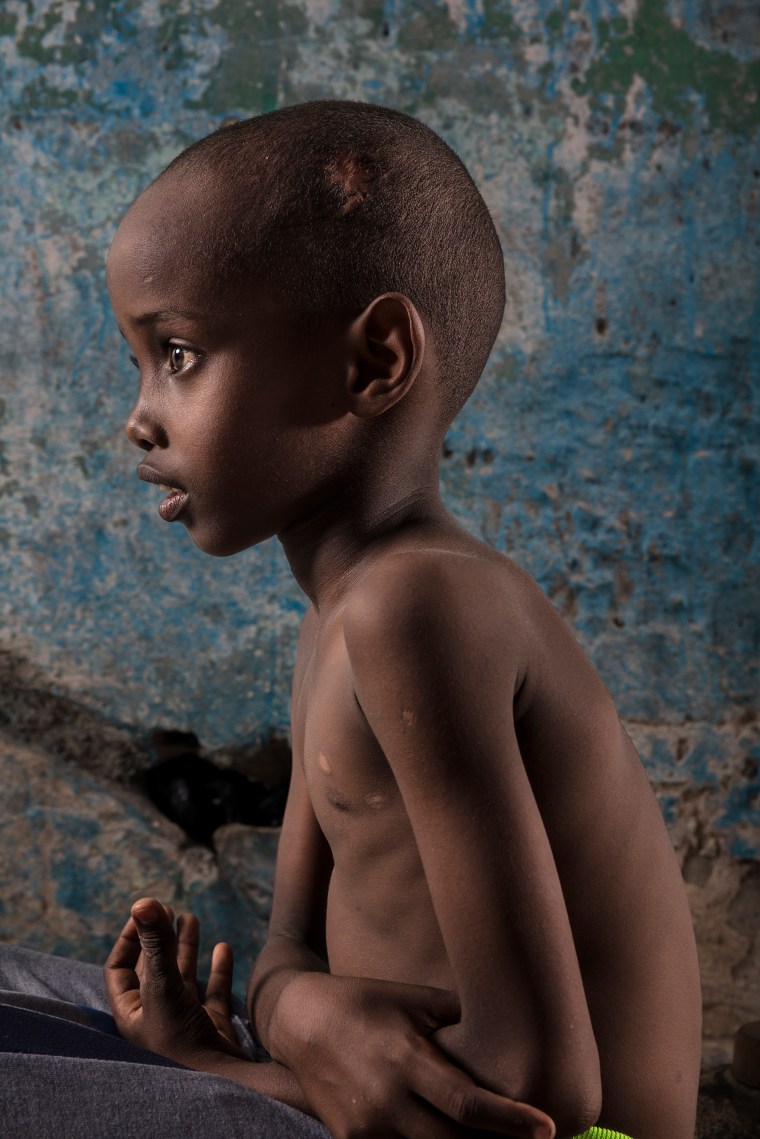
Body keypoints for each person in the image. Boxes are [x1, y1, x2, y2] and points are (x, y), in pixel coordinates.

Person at [1, 101, 701, 1139]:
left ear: (374, 360)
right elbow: (288, 944)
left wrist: (227, 1068)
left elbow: (540, 1090)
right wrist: (296, 1009)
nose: (138, 414)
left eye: (179, 353)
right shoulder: (339, 611)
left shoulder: (414, 606)